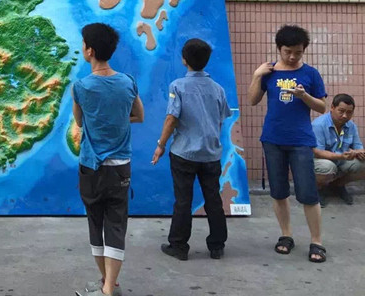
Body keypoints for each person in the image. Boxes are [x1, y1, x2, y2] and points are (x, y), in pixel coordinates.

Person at [73, 23, 144, 296]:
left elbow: (80, 121)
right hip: (121, 167)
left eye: (84, 44)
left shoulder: (81, 87)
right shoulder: (128, 82)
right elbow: (139, 115)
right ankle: (109, 285)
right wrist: (118, 118)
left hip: (92, 167)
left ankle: (106, 288)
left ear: (90, 51)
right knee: (116, 225)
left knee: (96, 223)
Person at [248, 25, 328, 263]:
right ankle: (286, 235)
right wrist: (257, 75)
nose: (292, 56)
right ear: (279, 48)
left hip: (301, 141)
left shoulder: (311, 74)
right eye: (287, 52)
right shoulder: (269, 72)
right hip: (273, 139)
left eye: (298, 52)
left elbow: (322, 107)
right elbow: (252, 100)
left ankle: (317, 241)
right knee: (279, 192)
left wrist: (304, 96)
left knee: (308, 193)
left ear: (304, 50)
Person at [152, 38, 231, 261]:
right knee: (213, 199)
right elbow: (220, 120)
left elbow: (171, 118)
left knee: (183, 200)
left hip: (184, 153)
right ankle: (217, 246)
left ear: (184, 60)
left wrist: (160, 145)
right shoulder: (218, 89)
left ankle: (178, 246)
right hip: (211, 154)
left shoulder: (177, 86)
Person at [313, 93, 365, 206]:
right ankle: (318, 188)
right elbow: (317, 152)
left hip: (341, 160)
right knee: (328, 166)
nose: (345, 115)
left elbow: (359, 147)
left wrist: (359, 153)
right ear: (332, 108)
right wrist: (340, 156)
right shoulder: (319, 125)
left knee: (363, 163)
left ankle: (337, 185)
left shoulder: (351, 126)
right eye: (341, 111)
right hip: (319, 161)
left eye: (349, 112)